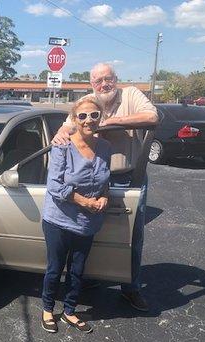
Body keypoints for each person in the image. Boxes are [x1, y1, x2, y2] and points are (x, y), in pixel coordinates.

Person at [52, 63, 158, 312]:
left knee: (132, 236)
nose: (103, 84)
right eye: (98, 81)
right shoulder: (88, 102)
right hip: (93, 180)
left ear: (115, 79)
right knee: (89, 232)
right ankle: (90, 280)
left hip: (128, 177)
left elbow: (152, 117)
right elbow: (68, 125)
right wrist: (60, 132)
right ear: (92, 84)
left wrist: (113, 122)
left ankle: (131, 288)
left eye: (107, 79)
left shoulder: (131, 94)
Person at [41, 97, 111, 334]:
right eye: (82, 116)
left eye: (94, 115)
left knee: (77, 270)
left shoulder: (105, 148)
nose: (88, 120)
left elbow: (104, 182)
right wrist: (85, 201)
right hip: (58, 219)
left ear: (100, 118)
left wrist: (104, 198)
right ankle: (48, 309)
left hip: (87, 222)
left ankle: (69, 311)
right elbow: (54, 186)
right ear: (74, 119)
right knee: (55, 268)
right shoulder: (62, 146)